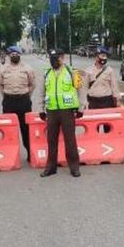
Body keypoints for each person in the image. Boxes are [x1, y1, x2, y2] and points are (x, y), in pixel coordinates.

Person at [37, 49, 86, 178]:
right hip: (52, 111)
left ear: (62, 58)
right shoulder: (47, 73)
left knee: (70, 140)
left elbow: (80, 90)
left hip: (67, 110)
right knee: (51, 140)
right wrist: (41, 109)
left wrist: (81, 107)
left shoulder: (71, 72)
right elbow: (42, 92)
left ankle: (74, 167)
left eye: (56, 58)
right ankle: (51, 167)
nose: (53, 61)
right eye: (51, 59)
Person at [0, 45, 36, 161]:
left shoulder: (28, 68)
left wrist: (26, 95)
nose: (14, 56)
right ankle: (11, 156)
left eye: (16, 54)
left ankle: (30, 154)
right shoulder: (3, 69)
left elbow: (32, 84)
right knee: (9, 131)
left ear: (20, 55)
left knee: (26, 129)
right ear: (9, 55)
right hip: (9, 102)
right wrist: (6, 96)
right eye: (12, 54)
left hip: (24, 101)